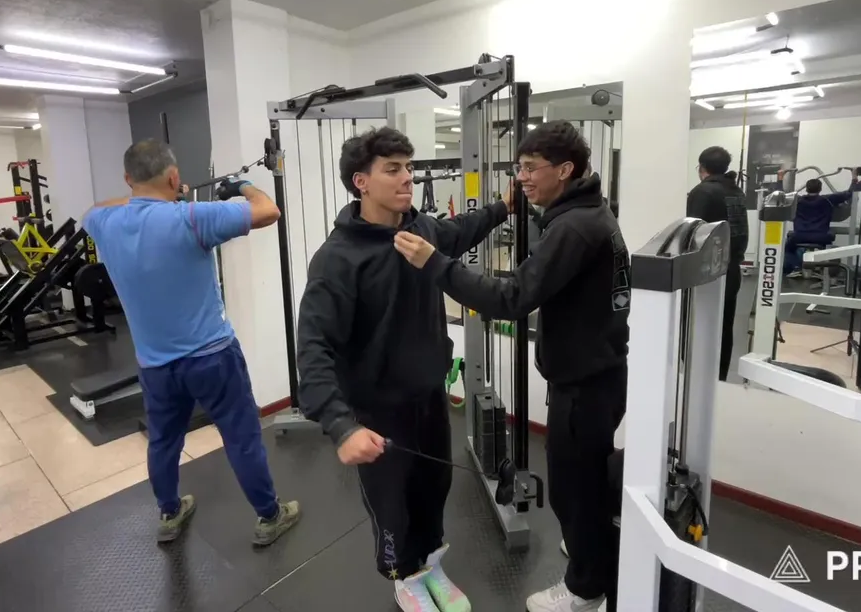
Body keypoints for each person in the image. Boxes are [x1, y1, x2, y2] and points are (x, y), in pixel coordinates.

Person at [392, 121, 629, 612]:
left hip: (584, 386)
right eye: (518, 167)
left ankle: (586, 589)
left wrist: (436, 264)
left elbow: (512, 298)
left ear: (564, 170)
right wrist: (502, 209)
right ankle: (591, 551)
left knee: (572, 491)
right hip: (597, 375)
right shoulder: (588, 212)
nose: (521, 177)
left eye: (530, 168)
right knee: (586, 483)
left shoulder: (573, 228)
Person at [297, 127, 510, 612]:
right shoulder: (337, 259)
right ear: (361, 182)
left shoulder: (422, 230)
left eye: (409, 167)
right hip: (378, 410)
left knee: (434, 489)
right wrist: (341, 425)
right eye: (393, 169)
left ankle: (430, 565)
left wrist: (504, 207)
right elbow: (313, 346)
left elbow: (462, 230)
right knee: (392, 503)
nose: (407, 178)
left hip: (428, 396)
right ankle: (403, 577)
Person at [82, 139, 301, 546]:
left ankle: (169, 513)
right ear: (174, 177)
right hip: (212, 357)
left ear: (128, 179)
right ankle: (269, 516)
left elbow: (95, 207)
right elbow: (268, 210)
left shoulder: (103, 222)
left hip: (155, 366)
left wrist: (149, 196)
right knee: (241, 438)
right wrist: (241, 187)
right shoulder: (191, 217)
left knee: (163, 442)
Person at [686, 146, 749, 381]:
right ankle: (719, 379)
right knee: (724, 327)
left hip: (708, 273)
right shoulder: (736, 191)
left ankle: (699, 381)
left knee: (702, 327)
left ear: (702, 167)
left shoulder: (703, 191)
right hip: (731, 269)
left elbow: (694, 234)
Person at [780, 169, 856, 274]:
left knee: (787, 249)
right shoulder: (828, 199)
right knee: (830, 246)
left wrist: (780, 177)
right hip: (822, 237)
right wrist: (854, 175)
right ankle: (825, 272)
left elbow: (780, 195)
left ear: (806, 189)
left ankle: (794, 267)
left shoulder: (797, 200)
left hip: (799, 236)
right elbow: (850, 193)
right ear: (820, 189)